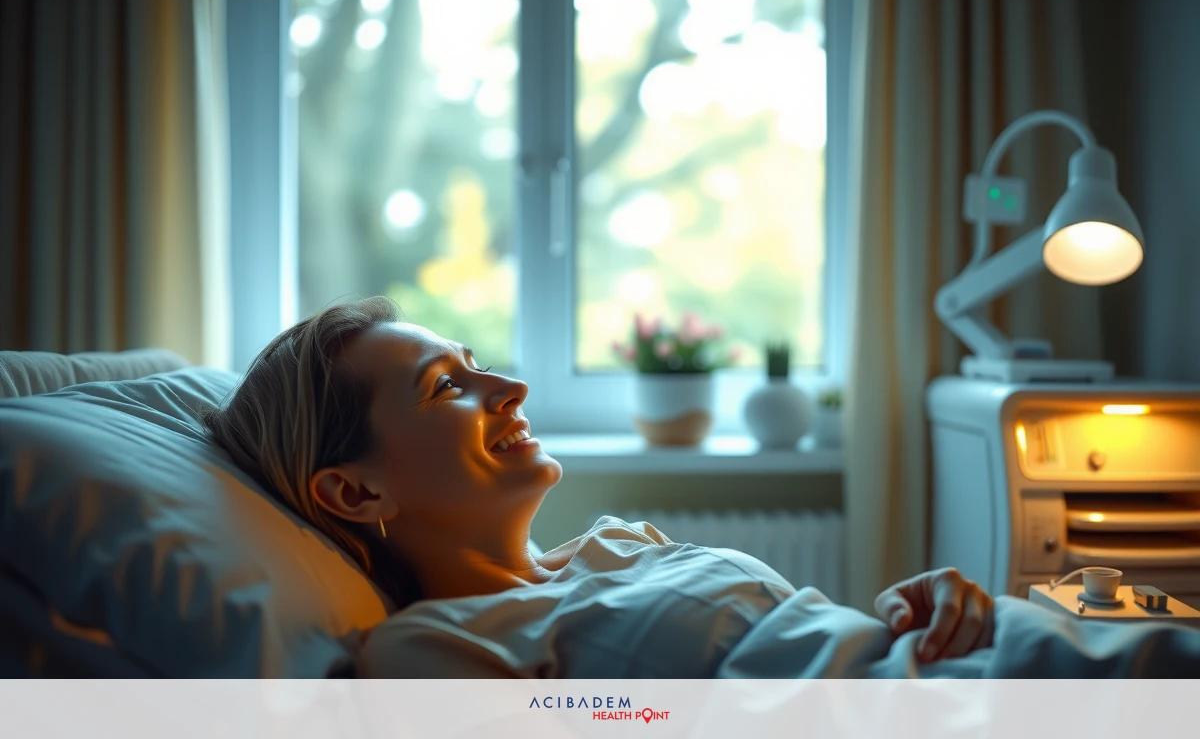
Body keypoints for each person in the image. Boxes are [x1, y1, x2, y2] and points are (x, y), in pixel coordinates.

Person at [202, 296, 995, 678]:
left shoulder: (620, 544)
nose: (509, 385)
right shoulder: (431, 648)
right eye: (447, 387)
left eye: (479, 364)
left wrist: (904, 615)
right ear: (354, 494)